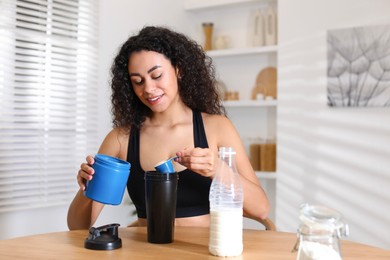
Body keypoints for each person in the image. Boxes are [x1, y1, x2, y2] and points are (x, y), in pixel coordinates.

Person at [67, 26, 270, 230]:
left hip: (204, 252)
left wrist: (218, 169)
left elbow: (261, 209)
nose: (148, 89)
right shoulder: (121, 138)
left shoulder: (217, 128)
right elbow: (77, 227)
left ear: (178, 69)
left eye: (156, 76)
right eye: (138, 81)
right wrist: (87, 187)